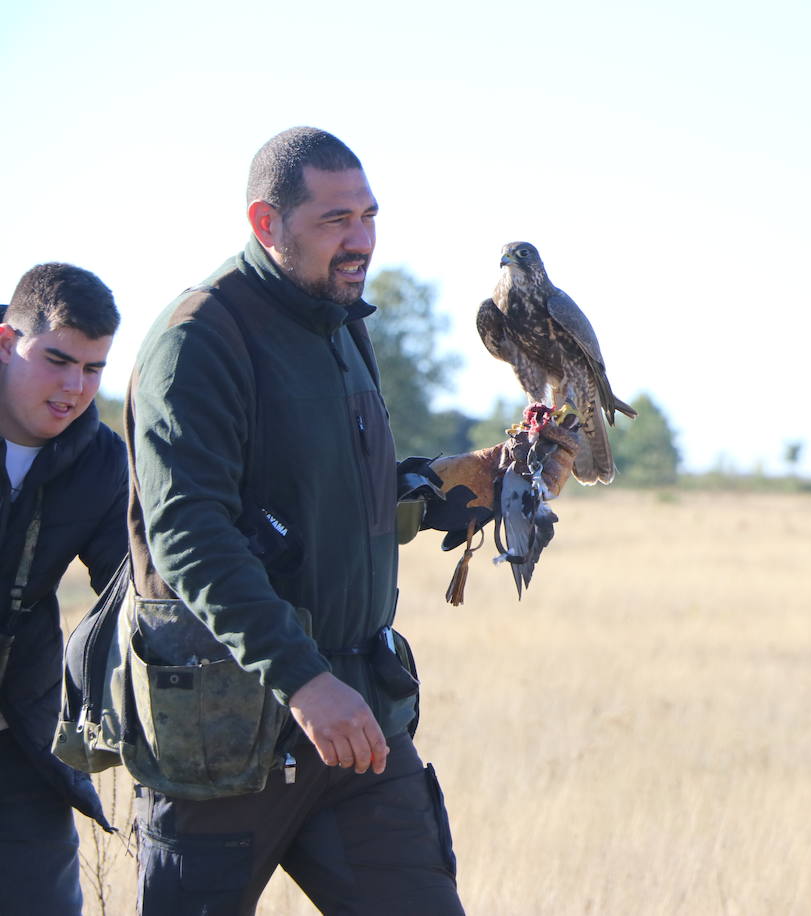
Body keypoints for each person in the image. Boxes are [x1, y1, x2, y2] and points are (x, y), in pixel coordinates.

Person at [125, 126, 579, 915]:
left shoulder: (341, 325)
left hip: (357, 723)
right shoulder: (198, 339)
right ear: (267, 224)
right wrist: (303, 681)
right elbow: (188, 535)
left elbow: (353, 498)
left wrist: (484, 479)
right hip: (227, 733)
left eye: (369, 216)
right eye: (336, 221)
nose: (361, 241)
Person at [0, 263, 126, 916]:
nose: (74, 387)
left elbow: (129, 598)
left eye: (93, 368)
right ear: (4, 341)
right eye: (57, 360)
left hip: (24, 741)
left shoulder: (103, 460)